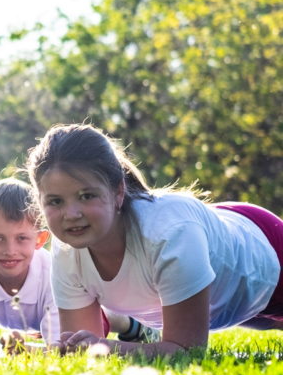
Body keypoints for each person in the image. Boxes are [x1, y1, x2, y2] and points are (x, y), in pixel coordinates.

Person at [26, 123, 283, 357]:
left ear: (118, 192)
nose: (71, 214)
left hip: (266, 254)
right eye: (55, 201)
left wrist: (107, 347)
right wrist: (68, 349)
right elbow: (81, 349)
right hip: (224, 304)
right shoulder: (66, 250)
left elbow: (186, 351)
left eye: (86, 196)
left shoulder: (169, 234)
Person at [0, 178, 153, 355]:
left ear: (40, 239)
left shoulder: (53, 272)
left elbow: (63, 352)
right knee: (44, 330)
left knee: (100, 322)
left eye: (22, 238)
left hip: (55, 317)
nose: (10, 250)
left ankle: (129, 325)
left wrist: (28, 350)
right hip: (38, 323)